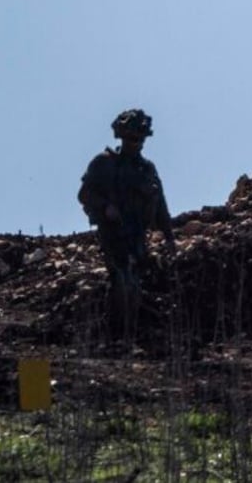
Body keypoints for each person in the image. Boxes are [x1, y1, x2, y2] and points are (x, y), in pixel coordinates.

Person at [78, 109, 175, 342]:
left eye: (141, 139)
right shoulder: (104, 163)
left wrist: (169, 237)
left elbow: (160, 204)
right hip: (112, 232)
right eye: (133, 139)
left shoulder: (147, 169)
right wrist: (105, 208)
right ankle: (116, 334)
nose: (137, 144)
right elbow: (85, 194)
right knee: (122, 277)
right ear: (122, 137)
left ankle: (128, 334)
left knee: (135, 282)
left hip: (137, 233)